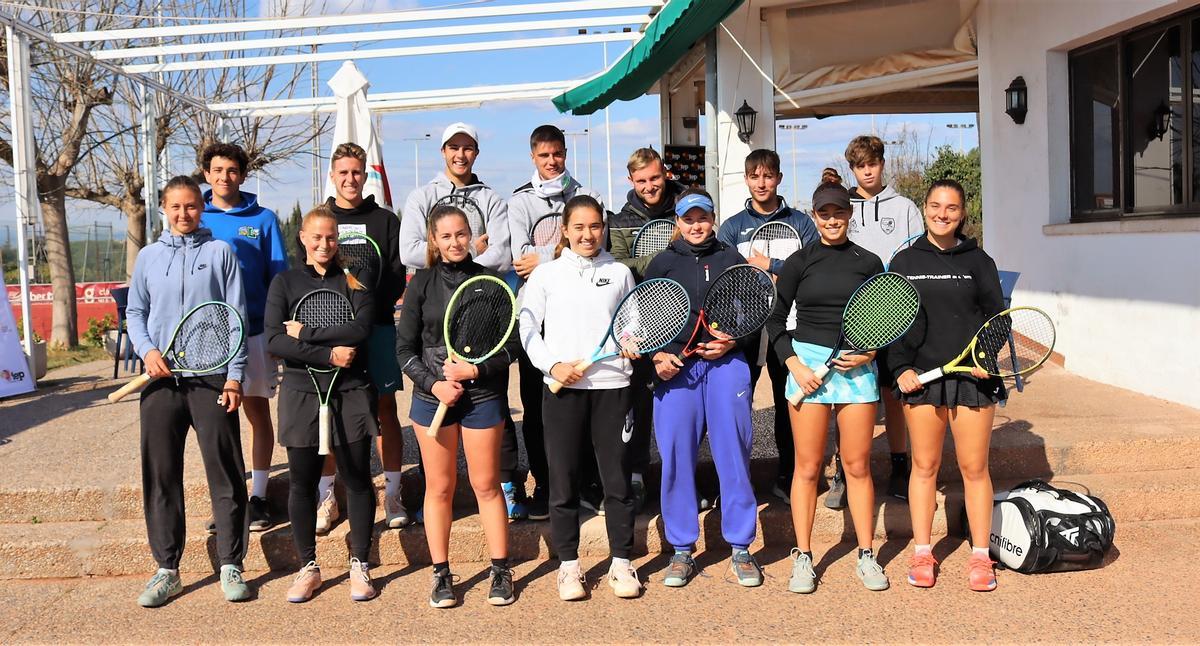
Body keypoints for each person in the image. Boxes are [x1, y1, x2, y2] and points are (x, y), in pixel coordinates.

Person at [126, 175, 250, 607]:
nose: (183, 214)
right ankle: (167, 569)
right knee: (161, 475)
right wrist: (147, 350)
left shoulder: (220, 253)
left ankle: (231, 563)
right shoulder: (148, 256)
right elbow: (136, 312)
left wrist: (235, 376)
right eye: (175, 206)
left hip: (212, 378)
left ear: (202, 207)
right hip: (161, 381)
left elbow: (236, 316)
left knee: (226, 472)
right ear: (164, 208)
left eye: (191, 206)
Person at [766, 182, 889, 595]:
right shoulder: (799, 262)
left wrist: (870, 352)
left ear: (849, 214)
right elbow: (774, 320)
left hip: (856, 370)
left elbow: (883, 320)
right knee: (807, 467)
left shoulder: (868, 262)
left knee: (857, 466)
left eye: (839, 212)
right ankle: (803, 556)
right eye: (824, 213)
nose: (832, 220)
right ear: (814, 216)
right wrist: (795, 365)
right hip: (808, 369)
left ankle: (866, 554)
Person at [519, 195, 642, 601]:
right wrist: (552, 366)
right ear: (565, 231)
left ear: (603, 228)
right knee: (563, 481)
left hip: (613, 388)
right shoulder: (546, 275)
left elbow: (630, 323)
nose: (588, 235)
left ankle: (621, 563)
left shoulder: (620, 272)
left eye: (595, 226)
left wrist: (631, 340)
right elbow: (528, 328)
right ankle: (569, 566)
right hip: (563, 391)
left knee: (617, 481)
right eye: (579, 227)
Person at [399, 122, 524, 520]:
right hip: (439, 309)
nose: (460, 154)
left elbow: (501, 253)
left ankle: (507, 484)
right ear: (443, 151)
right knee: (439, 467)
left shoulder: (491, 198)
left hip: (483, 305)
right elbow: (409, 251)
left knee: (493, 404)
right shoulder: (421, 196)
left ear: (476, 153)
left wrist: (470, 265)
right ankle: (436, 496)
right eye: (453, 147)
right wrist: (456, 254)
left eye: (468, 147)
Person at [396, 204, 518, 608]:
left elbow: (511, 347)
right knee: (440, 488)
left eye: (461, 234)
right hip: (432, 399)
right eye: (446, 236)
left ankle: (500, 569)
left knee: (486, 485)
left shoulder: (491, 282)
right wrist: (434, 384)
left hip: (482, 397)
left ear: (472, 235)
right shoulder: (421, 284)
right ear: (433, 240)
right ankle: (441, 574)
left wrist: (475, 371)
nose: (455, 242)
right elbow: (404, 350)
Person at [889, 179, 1004, 592]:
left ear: (962, 213)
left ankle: (981, 556)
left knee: (974, 468)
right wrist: (899, 367)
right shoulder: (904, 260)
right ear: (924, 208)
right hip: (922, 379)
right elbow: (891, 320)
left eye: (951, 208)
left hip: (970, 379)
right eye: (936, 206)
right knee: (924, 467)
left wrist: (984, 358)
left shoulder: (979, 261)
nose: (942, 214)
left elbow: (997, 319)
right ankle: (923, 552)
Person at [645, 190, 762, 589]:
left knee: (734, 453)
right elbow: (643, 322)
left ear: (713, 219)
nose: (696, 225)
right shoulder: (661, 264)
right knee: (676, 457)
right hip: (677, 371)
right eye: (688, 218)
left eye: (703, 217)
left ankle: (741, 546)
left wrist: (733, 341)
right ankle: (681, 549)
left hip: (726, 365)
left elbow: (756, 317)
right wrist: (657, 356)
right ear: (677, 222)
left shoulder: (732, 258)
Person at [265, 206, 378, 603]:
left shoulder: (355, 278)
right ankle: (308, 567)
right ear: (303, 238)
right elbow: (275, 340)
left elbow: (360, 328)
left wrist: (307, 334)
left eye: (331, 237)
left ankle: (360, 563)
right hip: (301, 392)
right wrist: (328, 354)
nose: (324, 244)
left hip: (351, 390)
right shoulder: (285, 282)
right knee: (301, 482)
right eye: (316, 237)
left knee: (358, 478)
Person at [506, 125, 605, 521]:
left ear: (565, 153)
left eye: (557, 154)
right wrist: (563, 250)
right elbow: (520, 257)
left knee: (587, 399)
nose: (552, 161)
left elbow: (596, 244)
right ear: (533, 157)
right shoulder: (519, 202)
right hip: (539, 317)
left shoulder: (589, 195)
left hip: (583, 313)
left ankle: (588, 482)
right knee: (538, 406)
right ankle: (546, 483)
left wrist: (545, 255)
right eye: (544, 155)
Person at [716, 149, 819, 505]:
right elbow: (725, 277)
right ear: (746, 179)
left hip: (787, 328)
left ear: (778, 178)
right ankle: (734, 482)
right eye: (755, 176)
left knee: (788, 403)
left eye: (768, 176)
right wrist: (756, 277)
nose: (762, 183)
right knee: (736, 406)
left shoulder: (801, 223)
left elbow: (812, 268)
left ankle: (788, 476)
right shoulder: (732, 227)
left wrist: (772, 265)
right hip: (745, 328)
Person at [321, 142, 410, 531]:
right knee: (329, 412)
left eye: (356, 172)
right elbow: (312, 272)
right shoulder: (321, 219)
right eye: (343, 172)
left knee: (385, 410)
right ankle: (327, 497)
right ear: (332, 176)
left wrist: (366, 312)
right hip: (331, 335)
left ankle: (393, 494)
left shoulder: (385, 221)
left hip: (378, 330)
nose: (350, 179)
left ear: (365, 174)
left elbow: (395, 276)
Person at [201, 143, 289, 532]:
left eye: (232, 170)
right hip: (208, 340)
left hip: (254, 333)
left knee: (257, 414)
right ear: (207, 175)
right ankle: (228, 500)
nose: (225, 177)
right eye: (218, 170)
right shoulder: (195, 217)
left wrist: (276, 334)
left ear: (242, 174)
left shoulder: (263, 219)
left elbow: (279, 280)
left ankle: (259, 497)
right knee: (217, 423)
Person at [606, 147, 689, 513]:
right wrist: (668, 253)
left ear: (665, 173)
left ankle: (682, 481)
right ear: (631, 181)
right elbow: (620, 267)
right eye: (641, 180)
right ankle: (637, 477)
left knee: (681, 409)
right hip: (639, 327)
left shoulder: (685, 207)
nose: (649, 186)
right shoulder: (620, 220)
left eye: (655, 178)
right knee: (637, 408)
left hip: (682, 323)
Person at [844, 135, 925, 505]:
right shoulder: (842, 209)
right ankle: (843, 470)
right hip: (853, 317)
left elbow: (915, 258)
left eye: (872, 164)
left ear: (882, 164)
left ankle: (899, 464)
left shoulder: (905, 208)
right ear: (852, 168)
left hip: (894, 313)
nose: (867, 171)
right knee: (848, 396)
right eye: (860, 166)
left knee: (895, 394)